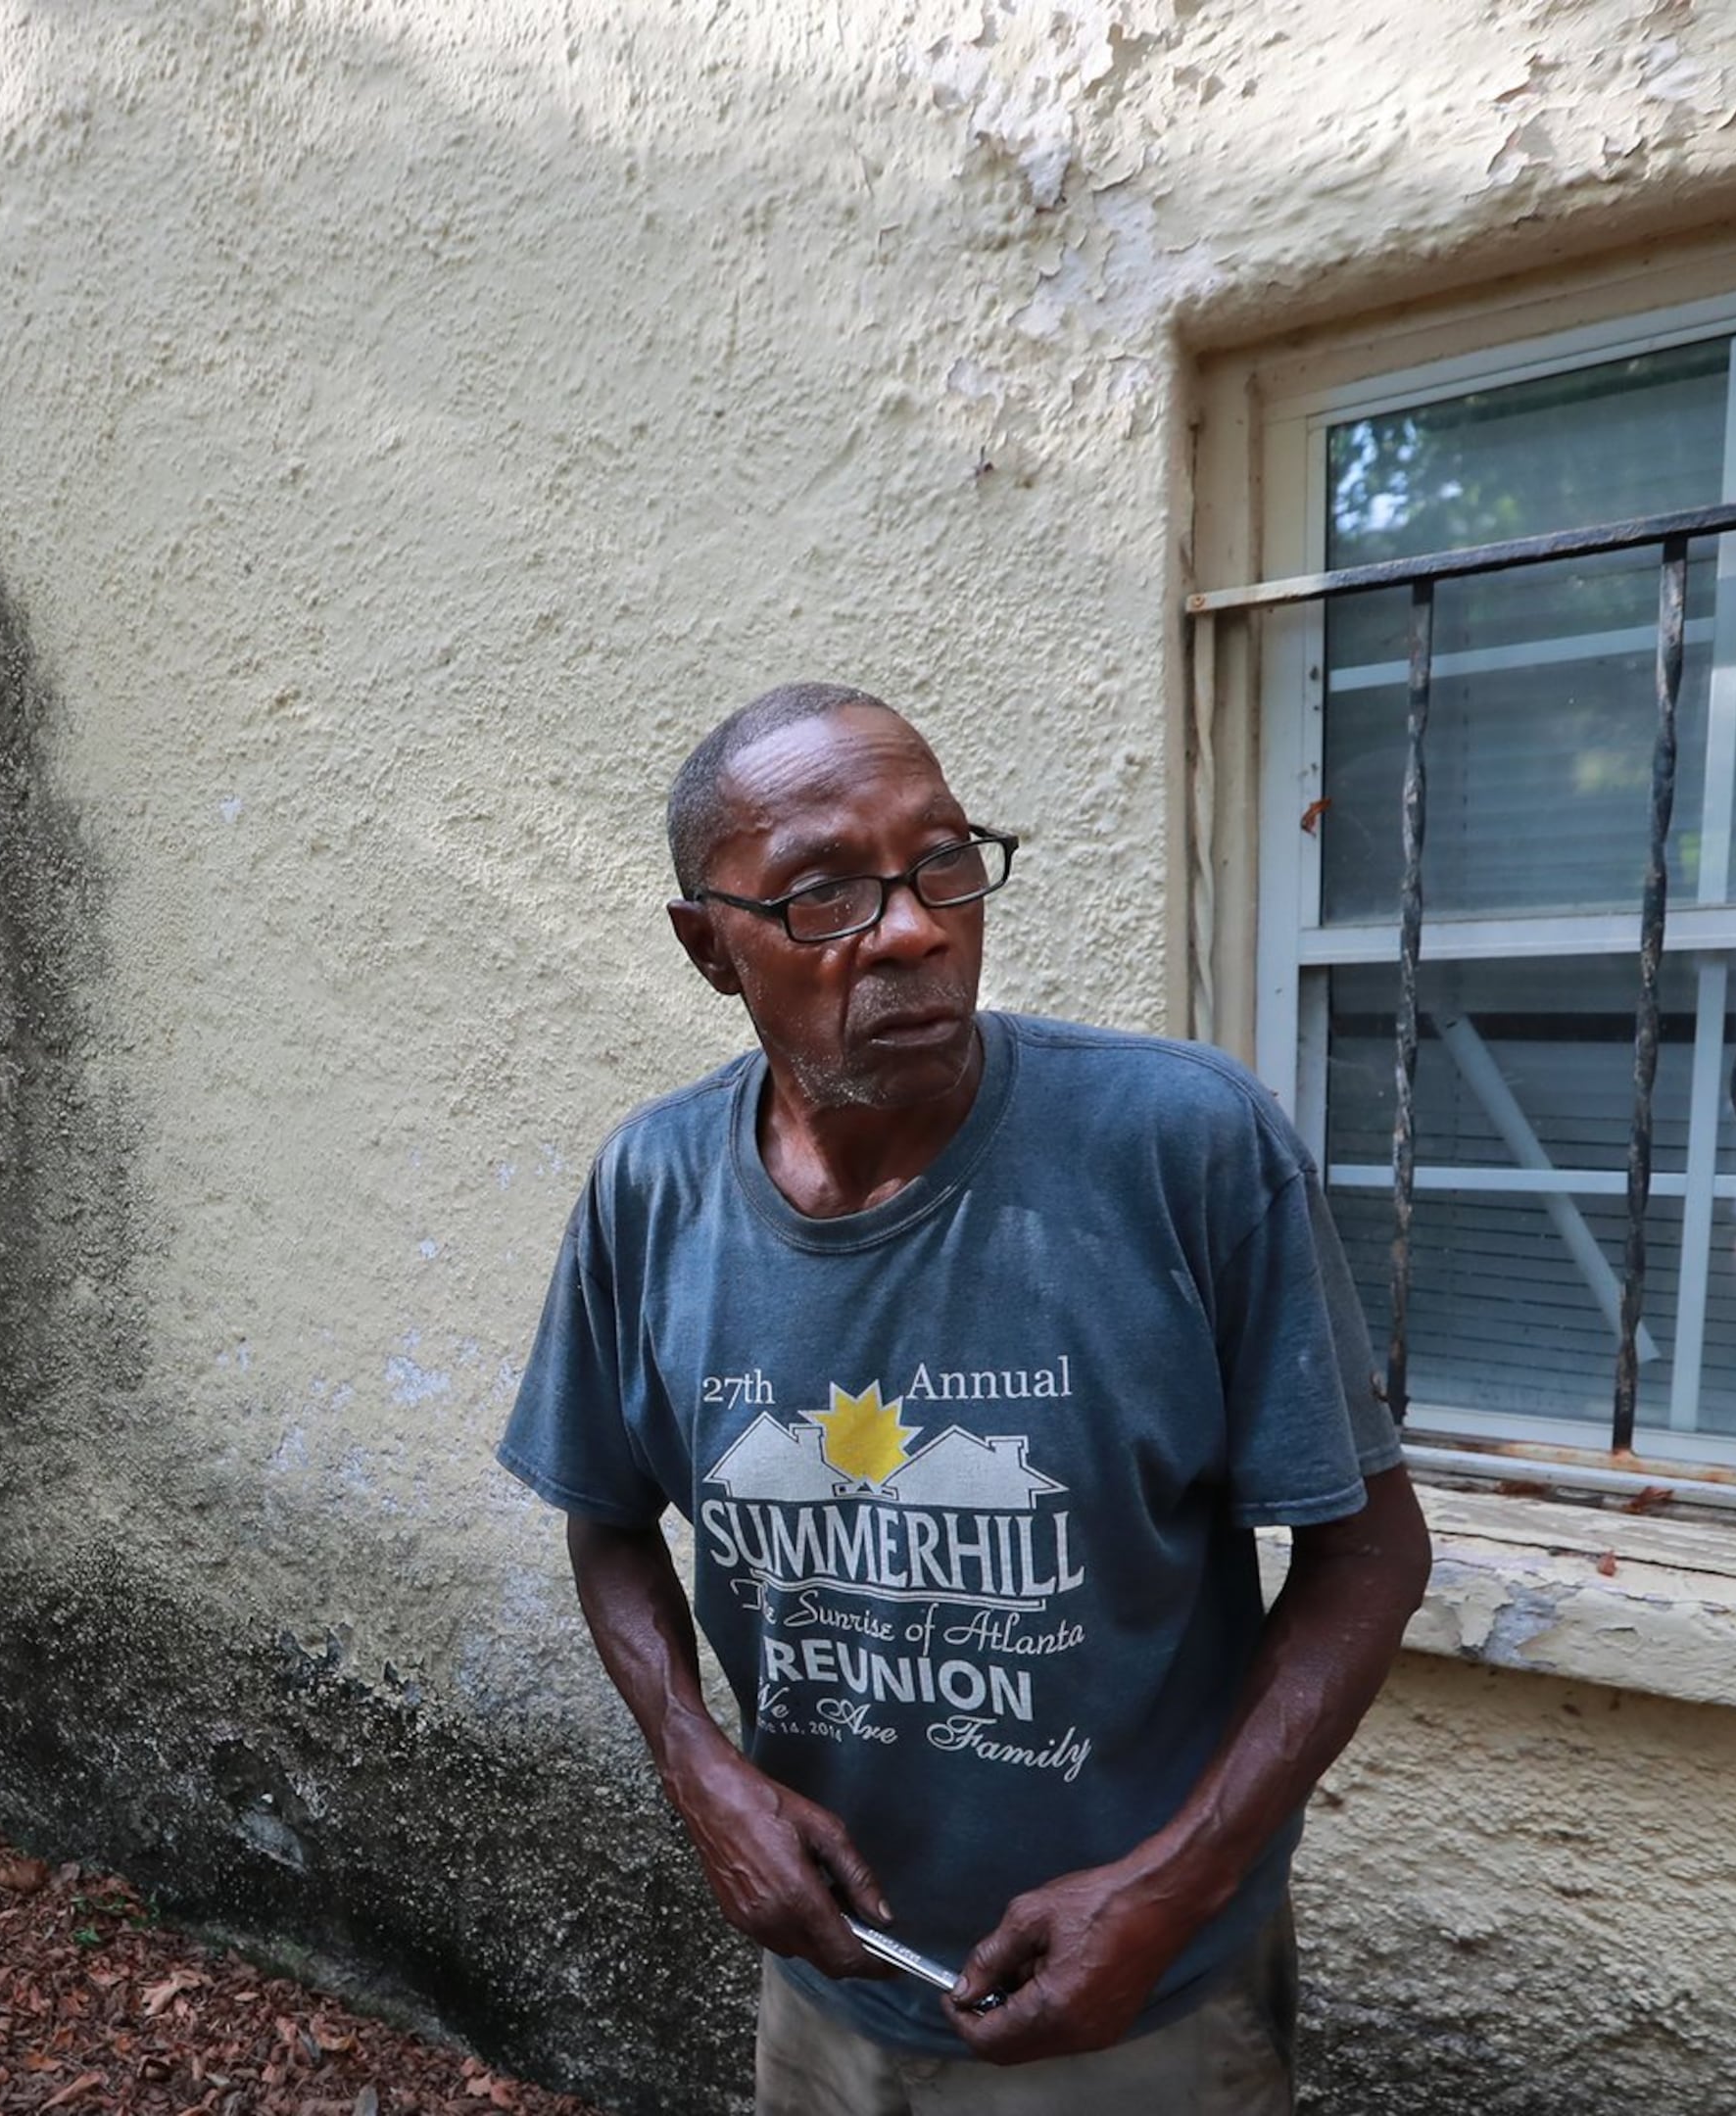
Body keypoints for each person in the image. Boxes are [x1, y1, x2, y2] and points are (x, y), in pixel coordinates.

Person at [496, 682, 1433, 2113]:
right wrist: (697, 1767)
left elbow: (1371, 1550)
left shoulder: (1182, 1147)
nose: (920, 925)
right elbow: (608, 1520)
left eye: (944, 861)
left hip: (1141, 2005)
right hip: (832, 1983)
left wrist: (1178, 1885)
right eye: (822, 893)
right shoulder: (654, 1187)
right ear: (708, 949)